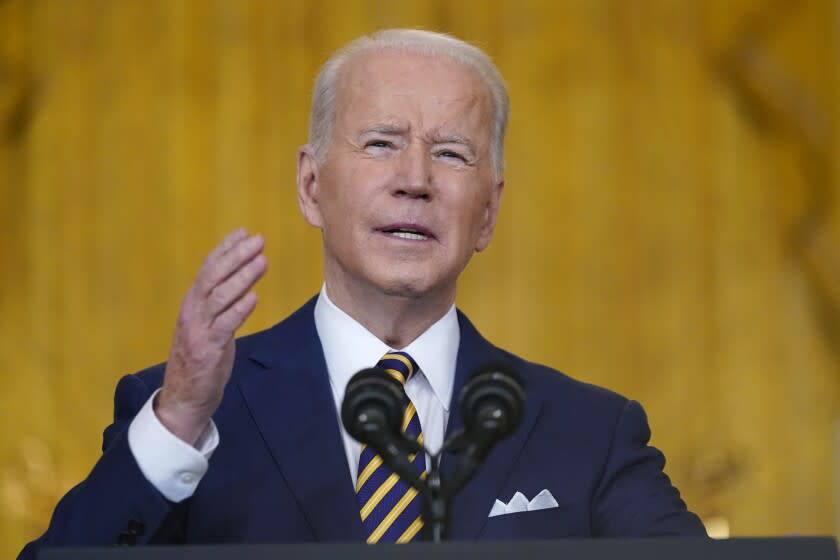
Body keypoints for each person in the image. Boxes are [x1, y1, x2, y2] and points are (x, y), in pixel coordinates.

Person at [19, 29, 705, 558]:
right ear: (312, 185)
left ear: (488, 213)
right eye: (381, 143)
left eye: (451, 153)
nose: (415, 179)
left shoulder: (587, 432)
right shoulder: (186, 414)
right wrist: (176, 426)